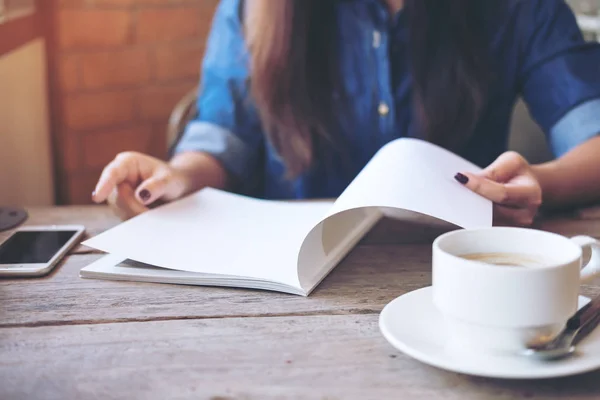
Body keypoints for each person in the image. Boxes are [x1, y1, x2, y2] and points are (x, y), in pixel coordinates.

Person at [92, 0, 600, 226]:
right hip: (288, 289)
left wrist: (541, 182)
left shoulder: (517, 6)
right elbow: (224, 134)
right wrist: (175, 178)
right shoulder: (255, 5)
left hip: (456, 270)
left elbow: (590, 132)